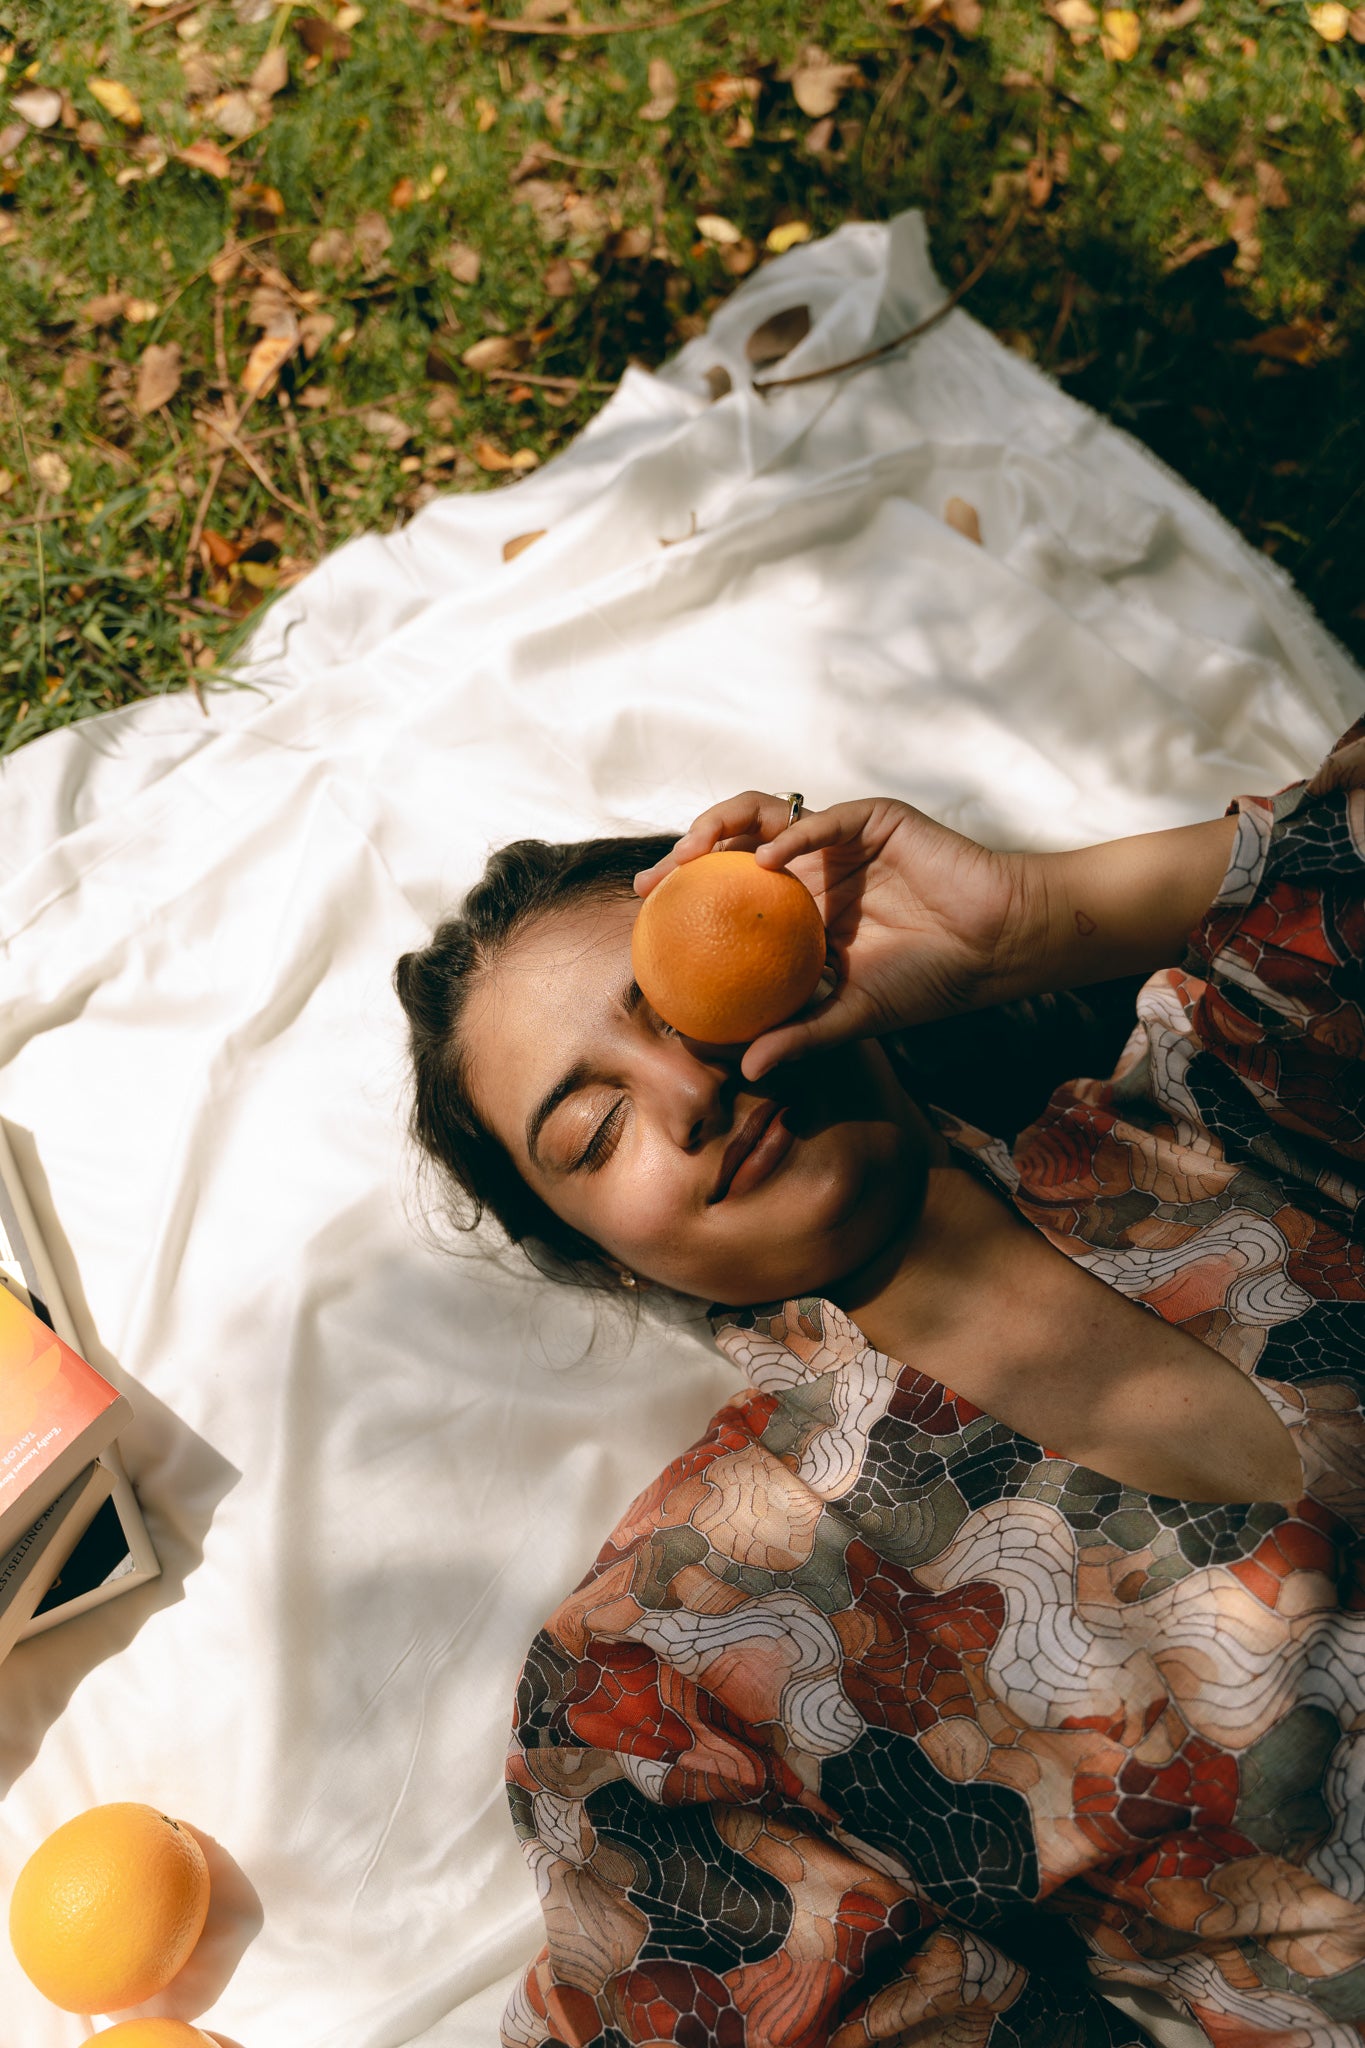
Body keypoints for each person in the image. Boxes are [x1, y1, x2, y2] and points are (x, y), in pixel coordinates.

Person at [394, 722, 1365, 2048]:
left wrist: (1036, 917)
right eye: (594, 1129)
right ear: (602, 1261)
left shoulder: (1225, 1103)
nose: (688, 1087)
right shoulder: (673, 1654)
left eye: (691, 1004)